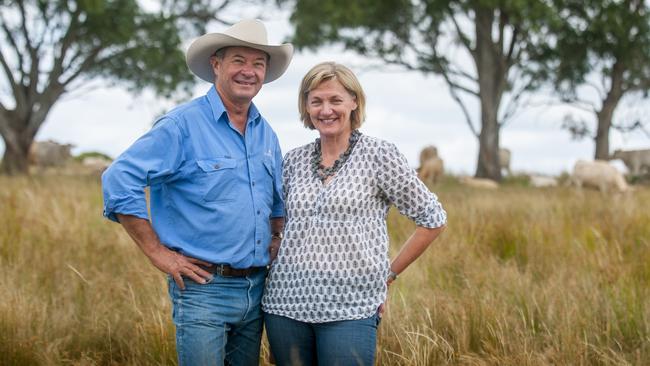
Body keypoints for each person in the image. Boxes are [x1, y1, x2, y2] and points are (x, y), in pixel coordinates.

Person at [101, 19, 293, 366]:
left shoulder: (267, 134)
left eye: (258, 63)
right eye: (238, 60)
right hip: (204, 288)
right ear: (216, 64)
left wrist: (277, 234)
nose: (248, 71)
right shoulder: (181, 126)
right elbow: (118, 178)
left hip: (257, 288)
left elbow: (275, 200)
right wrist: (158, 252)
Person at [262, 62, 447, 365]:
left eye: (335, 100)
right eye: (317, 101)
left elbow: (433, 219)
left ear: (353, 102)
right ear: (306, 107)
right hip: (285, 304)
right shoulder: (293, 161)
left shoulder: (379, 156)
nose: (326, 110)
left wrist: (389, 274)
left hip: (351, 306)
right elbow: (277, 224)